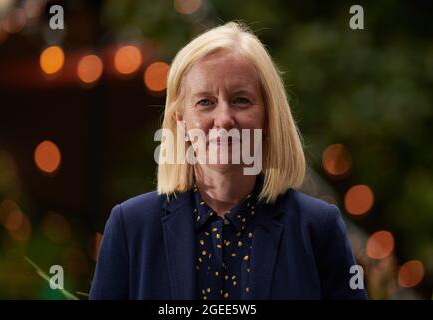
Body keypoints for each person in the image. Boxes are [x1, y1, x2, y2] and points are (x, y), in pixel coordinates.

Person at [89, 21, 367, 300]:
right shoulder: (131, 227)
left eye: (241, 100)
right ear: (180, 119)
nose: (223, 120)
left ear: (268, 116)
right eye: (205, 102)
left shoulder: (318, 229)